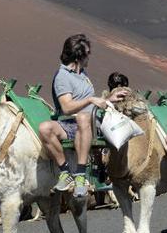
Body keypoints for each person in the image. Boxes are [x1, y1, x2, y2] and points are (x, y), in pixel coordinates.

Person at [39, 34, 126, 197]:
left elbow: (89, 106)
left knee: (83, 118)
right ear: (79, 56)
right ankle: (65, 172)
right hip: (70, 123)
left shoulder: (82, 74)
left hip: (91, 123)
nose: (89, 56)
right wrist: (91, 99)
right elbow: (66, 107)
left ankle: (80, 174)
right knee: (45, 128)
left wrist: (107, 99)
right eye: (88, 53)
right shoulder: (62, 77)